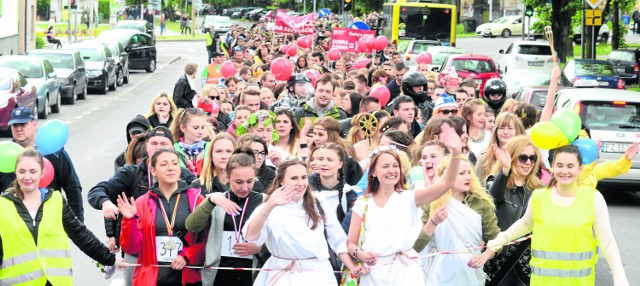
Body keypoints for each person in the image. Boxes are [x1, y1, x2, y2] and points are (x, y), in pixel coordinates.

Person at [479, 145, 630, 286]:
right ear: (552, 168)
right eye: (559, 165)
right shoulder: (539, 197)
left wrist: (619, 275)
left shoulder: (594, 199)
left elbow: (607, 240)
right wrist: (500, 240)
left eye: (570, 166)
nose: (564, 171)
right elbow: (525, 224)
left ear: (580, 169)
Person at [346, 122, 462, 285]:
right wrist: (360, 254)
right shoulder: (362, 203)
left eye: (395, 166)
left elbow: (445, 184)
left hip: (405, 270)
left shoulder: (409, 198)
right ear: (373, 172)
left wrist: (456, 153)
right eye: (385, 166)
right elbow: (351, 243)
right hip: (373, 272)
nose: (391, 171)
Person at [87, 126, 197, 285]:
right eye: (154, 143)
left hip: (179, 252)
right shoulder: (131, 173)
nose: (158, 147)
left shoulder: (183, 175)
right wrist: (105, 203)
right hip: (139, 247)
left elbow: (202, 207)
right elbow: (97, 191)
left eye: (164, 144)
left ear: (173, 148)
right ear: (147, 146)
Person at [0, 149, 120, 284]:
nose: (27, 177)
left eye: (33, 171)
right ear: (15, 172)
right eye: (22, 171)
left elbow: (80, 234)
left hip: (56, 282)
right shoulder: (3, 205)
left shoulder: (56, 200)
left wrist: (110, 259)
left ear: (42, 173)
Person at [243, 159, 363, 285]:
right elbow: (251, 237)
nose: (300, 183)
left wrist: (352, 267)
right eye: (294, 178)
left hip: (318, 275)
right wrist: (269, 206)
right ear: (281, 181)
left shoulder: (318, 202)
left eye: (304, 177)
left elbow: (338, 240)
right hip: (282, 274)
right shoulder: (268, 207)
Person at [118, 149, 207, 286]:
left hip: (188, 278)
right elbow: (132, 248)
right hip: (153, 279)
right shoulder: (141, 203)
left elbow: (206, 240)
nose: (170, 168)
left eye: (174, 163)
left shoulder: (196, 200)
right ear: (153, 171)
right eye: (164, 164)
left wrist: (188, 256)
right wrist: (129, 221)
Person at [186, 148, 265, 285]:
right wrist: (209, 202)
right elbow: (192, 226)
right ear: (227, 177)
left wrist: (261, 248)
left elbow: (278, 239)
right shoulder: (216, 200)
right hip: (220, 273)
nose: (245, 187)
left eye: (250, 181)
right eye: (239, 182)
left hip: (253, 274)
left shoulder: (264, 201)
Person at [418, 156, 500, 285]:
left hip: (471, 273)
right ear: (447, 176)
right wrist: (433, 221)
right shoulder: (432, 202)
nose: (468, 177)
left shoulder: (481, 202)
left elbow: (495, 239)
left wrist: (484, 256)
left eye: (469, 173)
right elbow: (417, 246)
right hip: (440, 275)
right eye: (462, 173)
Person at [0, 107, 85, 221]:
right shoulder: (5, 156)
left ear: (34, 124)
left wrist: (77, 222)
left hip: (49, 221)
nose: (18, 129)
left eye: (23, 124)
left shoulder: (54, 152)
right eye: (15, 125)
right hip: (16, 224)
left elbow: (72, 187)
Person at [482, 136, 543, 285]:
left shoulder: (540, 189)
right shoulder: (495, 182)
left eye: (532, 158)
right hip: (499, 261)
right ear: (512, 157)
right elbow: (494, 196)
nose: (528, 162)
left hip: (528, 263)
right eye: (523, 158)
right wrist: (505, 170)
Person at [309, 143, 361, 230]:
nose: (324, 163)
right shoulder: (306, 188)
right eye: (320, 159)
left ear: (340, 164)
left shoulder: (349, 193)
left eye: (330, 160)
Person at [475, 112, 526, 181]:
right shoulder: (485, 157)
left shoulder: (525, 157)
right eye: (501, 128)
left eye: (510, 128)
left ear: (517, 131)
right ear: (496, 131)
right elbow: (476, 186)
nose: (505, 132)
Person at [171, 108, 210, 176]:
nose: (200, 131)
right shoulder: (173, 149)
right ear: (183, 127)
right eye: (195, 128)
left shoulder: (211, 147)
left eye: (203, 127)